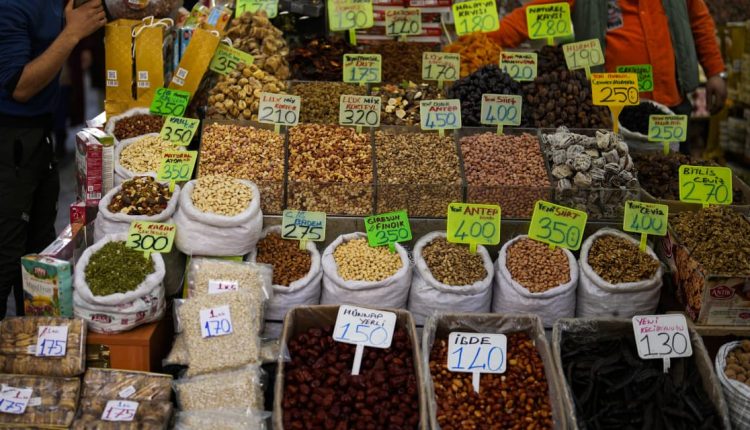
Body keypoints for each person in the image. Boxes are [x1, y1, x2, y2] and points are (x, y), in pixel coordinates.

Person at [0, 0, 106, 318]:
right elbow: (20, 87)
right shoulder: (10, 7)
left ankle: (33, 339)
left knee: (39, 251)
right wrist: (72, 33)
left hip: (39, 137)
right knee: (7, 254)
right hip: (11, 142)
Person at [489, 0, 728, 116]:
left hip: (671, 101)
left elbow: (699, 21)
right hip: (613, 107)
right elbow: (533, 15)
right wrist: (482, 40)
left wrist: (715, 71)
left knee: (669, 181)